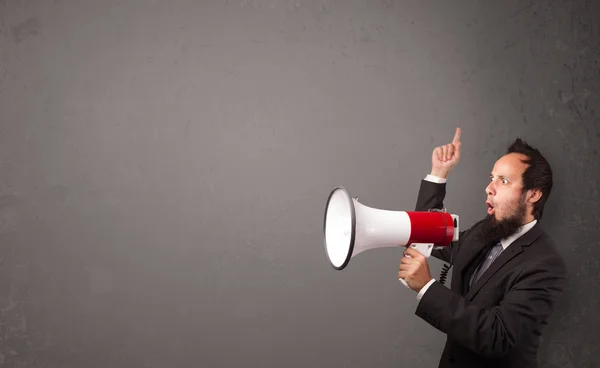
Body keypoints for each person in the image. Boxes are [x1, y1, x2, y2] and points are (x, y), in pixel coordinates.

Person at [397, 128, 567, 368]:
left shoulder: (545, 264)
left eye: (504, 181)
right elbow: (431, 237)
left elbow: (498, 336)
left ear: (533, 195)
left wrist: (427, 287)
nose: (489, 188)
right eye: (492, 178)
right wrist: (439, 173)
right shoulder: (483, 231)